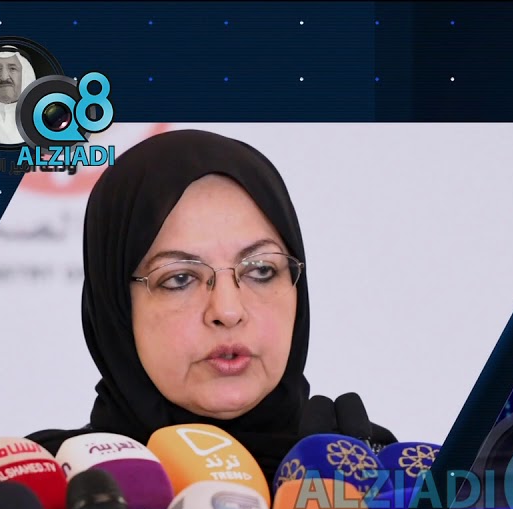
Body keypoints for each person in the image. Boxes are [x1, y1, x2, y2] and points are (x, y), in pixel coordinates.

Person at [27, 129, 393, 483]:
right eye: (179, 278)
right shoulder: (44, 490)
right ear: (115, 307)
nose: (228, 311)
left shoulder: (379, 475)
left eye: (261, 270)